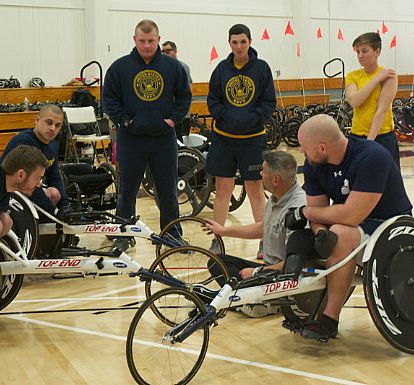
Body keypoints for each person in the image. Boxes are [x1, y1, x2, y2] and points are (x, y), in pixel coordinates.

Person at [285, 114, 412, 341]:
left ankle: (329, 320)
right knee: (317, 236)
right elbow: (319, 211)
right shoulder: (314, 166)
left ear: (322, 148)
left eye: (304, 148)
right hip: (352, 224)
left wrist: (305, 213)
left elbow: (351, 215)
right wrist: (320, 232)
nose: (302, 152)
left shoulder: (371, 157)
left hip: (390, 225)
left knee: (341, 233)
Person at [102, 19, 192, 252]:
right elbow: (109, 100)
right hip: (131, 138)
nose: (147, 46)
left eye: (151, 41)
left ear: (159, 40)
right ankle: (123, 234)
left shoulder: (173, 68)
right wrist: (125, 120)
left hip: (163, 139)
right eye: (142, 41)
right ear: (134, 40)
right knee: (127, 190)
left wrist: (173, 119)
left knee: (168, 189)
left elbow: (184, 97)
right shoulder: (120, 67)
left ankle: (172, 234)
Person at [205, 150, 306, 317]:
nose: (260, 174)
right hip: (268, 268)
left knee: (228, 285)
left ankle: (265, 302)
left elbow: (294, 263)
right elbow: (262, 228)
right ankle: (247, 299)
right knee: (217, 263)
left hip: (283, 274)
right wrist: (224, 231)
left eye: (264, 171)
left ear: (275, 179)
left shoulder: (298, 209)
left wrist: (256, 272)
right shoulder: (276, 197)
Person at [206, 23, 277, 259]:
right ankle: (217, 239)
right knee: (222, 188)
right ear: (229, 43)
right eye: (234, 42)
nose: (239, 47)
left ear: (250, 42)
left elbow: (268, 103)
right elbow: (213, 101)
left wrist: (252, 118)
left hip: (252, 139)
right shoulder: (221, 69)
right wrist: (225, 116)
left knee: (255, 189)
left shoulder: (262, 69)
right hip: (224, 138)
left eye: (243, 42)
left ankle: (265, 240)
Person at [0, 104, 71, 218]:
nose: (53, 128)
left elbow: (55, 176)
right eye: (49, 122)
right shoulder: (23, 141)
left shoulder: (53, 143)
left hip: (31, 186)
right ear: (37, 120)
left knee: (55, 193)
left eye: (57, 125)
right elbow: (24, 184)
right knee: (48, 194)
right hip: (10, 191)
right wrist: (54, 212)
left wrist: (65, 205)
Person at [346, 32, 400, 166]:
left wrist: (369, 142)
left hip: (382, 137)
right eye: (357, 52)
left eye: (364, 51)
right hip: (356, 135)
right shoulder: (352, 76)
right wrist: (376, 79)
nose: (360, 55)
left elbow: (381, 110)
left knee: (387, 183)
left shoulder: (389, 76)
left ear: (377, 51)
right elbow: (354, 101)